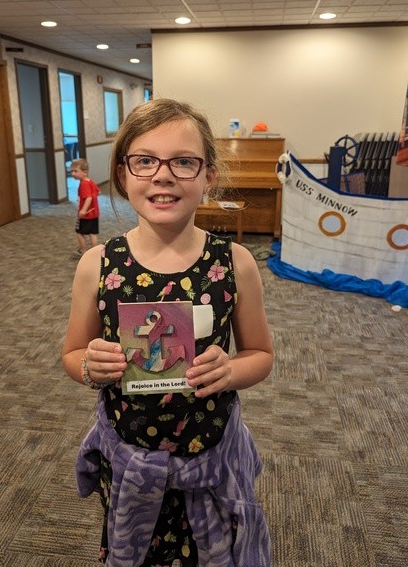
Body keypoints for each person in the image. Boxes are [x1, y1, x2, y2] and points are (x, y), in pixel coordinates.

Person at [62, 98, 273, 567]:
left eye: (183, 161)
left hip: (211, 455)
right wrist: (91, 366)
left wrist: (231, 371)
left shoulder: (234, 263)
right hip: (130, 459)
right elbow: (73, 353)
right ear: (122, 174)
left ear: (208, 176)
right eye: (145, 161)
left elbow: (260, 353)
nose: (163, 175)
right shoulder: (97, 264)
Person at [70, 158, 100, 256]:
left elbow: (88, 198)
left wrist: (83, 210)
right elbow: (98, 192)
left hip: (87, 215)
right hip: (94, 213)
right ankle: (96, 253)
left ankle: (83, 251)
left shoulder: (84, 184)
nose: (73, 174)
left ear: (85, 172)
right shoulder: (90, 181)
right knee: (92, 233)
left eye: (75, 171)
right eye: (71, 171)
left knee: (79, 232)